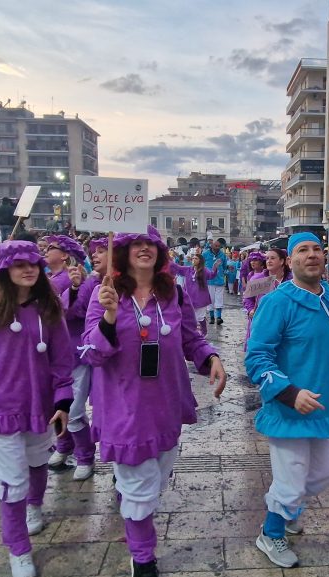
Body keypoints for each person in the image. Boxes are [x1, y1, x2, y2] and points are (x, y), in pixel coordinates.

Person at [81, 225, 225, 577]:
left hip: (164, 402)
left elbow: (192, 338)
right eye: (136, 244)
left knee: (153, 481)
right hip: (122, 404)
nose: (144, 249)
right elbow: (90, 353)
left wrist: (211, 359)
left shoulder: (173, 293)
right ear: (124, 251)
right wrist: (110, 317)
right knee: (141, 489)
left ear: (160, 252)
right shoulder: (103, 293)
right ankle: (143, 557)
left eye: (151, 244)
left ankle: (128, 500)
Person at [245, 232, 329, 568]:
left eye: (317, 249)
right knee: (290, 480)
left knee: (323, 476)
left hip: (323, 407)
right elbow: (256, 358)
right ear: (290, 260)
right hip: (288, 410)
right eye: (302, 250)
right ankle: (271, 532)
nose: (312, 255)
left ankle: (288, 507)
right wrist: (289, 392)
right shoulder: (277, 302)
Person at [0, 241, 74, 577]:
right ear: (4, 270)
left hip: (41, 404)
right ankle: (18, 549)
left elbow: (62, 359)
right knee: (11, 482)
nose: (28, 269)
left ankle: (35, 507)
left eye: (34, 264)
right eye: (19, 264)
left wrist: (63, 399)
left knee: (38, 462)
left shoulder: (49, 309)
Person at [49, 237, 105, 480]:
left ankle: (85, 455)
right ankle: (64, 446)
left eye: (50, 247)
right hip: (55, 354)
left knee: (73, 409)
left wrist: (74, 288)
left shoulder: (82, 280)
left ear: (65, 255)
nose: (45, 250)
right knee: (59, 406)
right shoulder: (54, 278)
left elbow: (72, 312)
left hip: (76, 353)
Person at [173, 253, 214, 335]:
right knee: (190, 316)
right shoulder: (188, 269)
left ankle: (204, 332)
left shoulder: (204, 270)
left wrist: (215, 268)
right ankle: (192, 332)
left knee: (200, 317)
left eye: (196, 258)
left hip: (201, 298)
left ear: (200, 261)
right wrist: (167, 260)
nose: (193, 260)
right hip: (190, 298)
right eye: (193, 258)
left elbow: (211, 275)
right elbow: (178, 268)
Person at [203, 238, 229, 326]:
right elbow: (201, 265)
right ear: (212, 245)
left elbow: (225, 266)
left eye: (219, 246)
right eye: (215, 245)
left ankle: (219, 317)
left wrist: (226, 271)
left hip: (220, 280)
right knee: (210, 299)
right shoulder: (205, 254)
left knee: (219, 299)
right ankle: (211, 317)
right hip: (209, 281)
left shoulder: (222, 255)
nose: (217, 247)